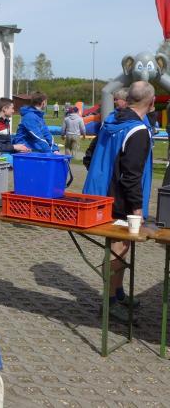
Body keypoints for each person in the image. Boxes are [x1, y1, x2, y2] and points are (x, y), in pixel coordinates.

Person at [83, 81, 154, 322]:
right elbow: (131, 175)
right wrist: (137, 209)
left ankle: (118, 292)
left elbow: (92, 154)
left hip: (102, 193)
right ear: (151, 102)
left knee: (122, 247)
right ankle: (110, 302)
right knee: (118, 248)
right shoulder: (137, 130)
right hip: (120, 200)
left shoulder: (111, 120)